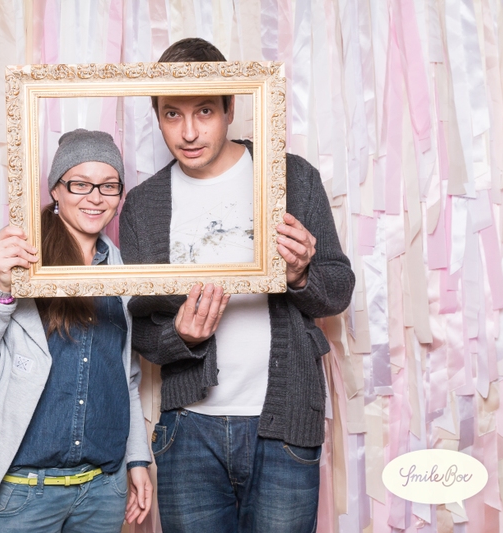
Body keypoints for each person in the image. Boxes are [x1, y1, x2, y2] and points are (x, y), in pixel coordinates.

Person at [119, 38, 355, 532]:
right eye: (172, 114)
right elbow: (139, 330)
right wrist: (179, 337)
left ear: (230, 108)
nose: (188, 132)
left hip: (285, 424)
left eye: (204, 111)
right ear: (156, 116)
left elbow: (338, 290)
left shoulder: (291, 177)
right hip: (188, 429)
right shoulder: (143, 203)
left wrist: (301, 274)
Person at [0, 129, 153, 533]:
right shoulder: (8, 258)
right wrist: (1, 287)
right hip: (25, 492)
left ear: (120, 195)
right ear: (56, 189)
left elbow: (124, 378)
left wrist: (137, 461)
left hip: (103, 490)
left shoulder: (122, 271)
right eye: (80, 184)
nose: (96, 197)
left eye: (109, 185)